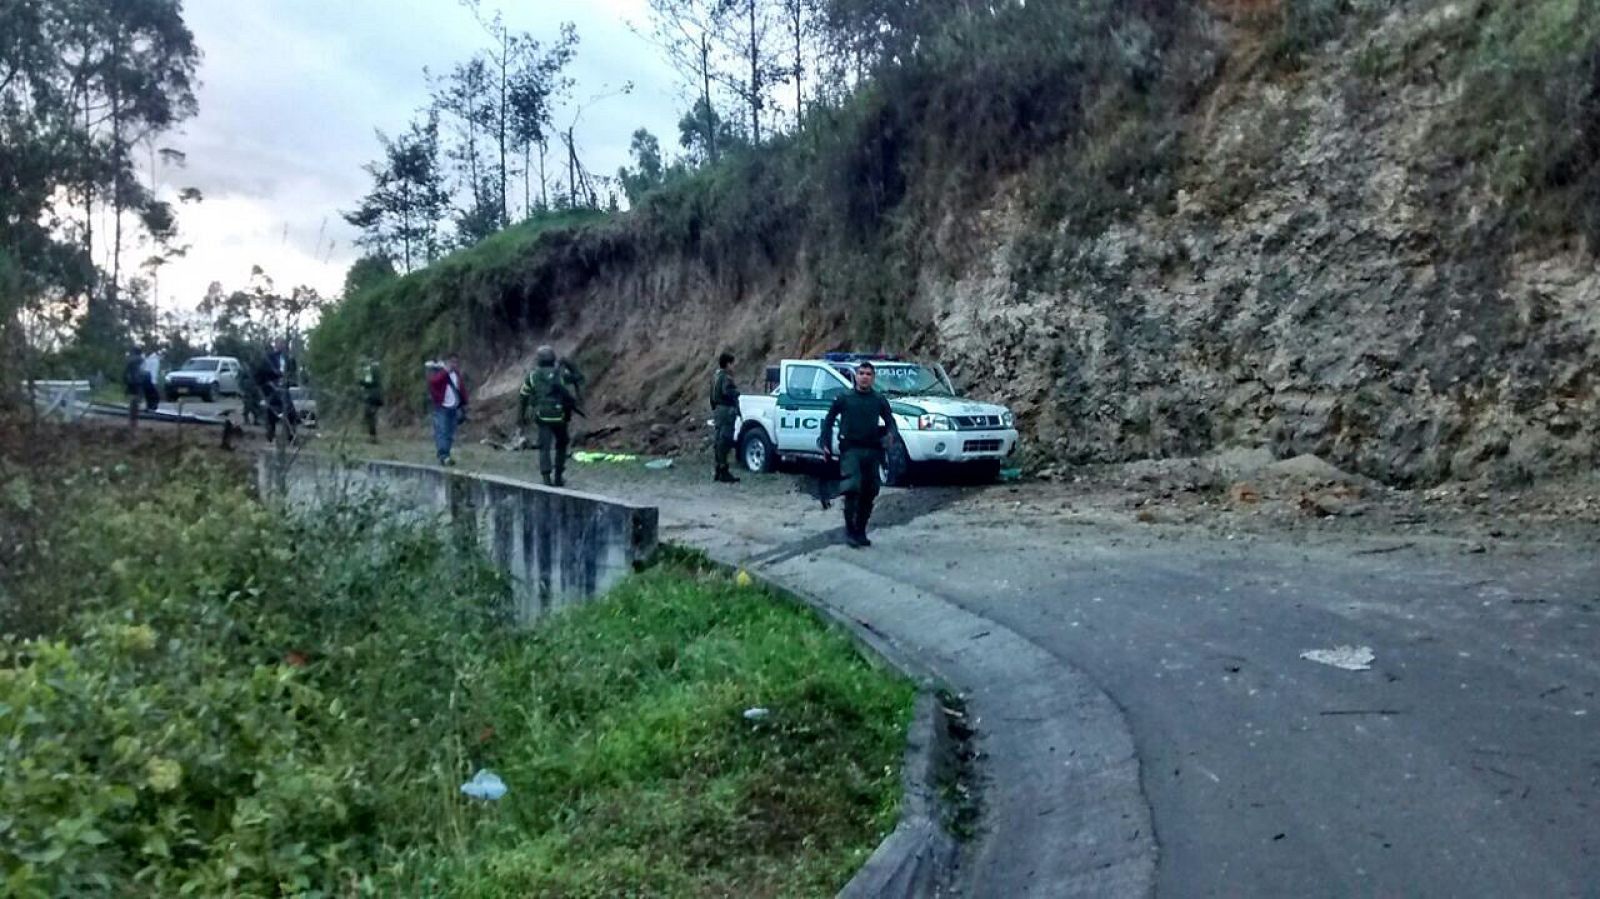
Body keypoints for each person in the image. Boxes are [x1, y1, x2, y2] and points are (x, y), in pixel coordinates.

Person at [819, 361, 899, 548]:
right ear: (855, 376)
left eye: (868, 374)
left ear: (873, 378)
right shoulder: (844, 398)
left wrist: (890, 436)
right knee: (852, 488)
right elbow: (829, 420)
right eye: (861, 373)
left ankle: (861, 530)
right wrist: (825, 442)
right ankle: (850, 531)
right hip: (851, 449)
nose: (864, 377)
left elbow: (890, 421)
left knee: (869, 491)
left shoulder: (878, 399)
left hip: (872, 450)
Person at [519, 345, 577, 486]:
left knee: (544, 446)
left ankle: (546, 476)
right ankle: (558, 475)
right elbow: (578, 378)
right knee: (562, 444)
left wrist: (521, 416)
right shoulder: (561, 374)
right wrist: (569, 364)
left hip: (542, 416)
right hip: (560, 416)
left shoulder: (532, 376)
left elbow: (523, 396)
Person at [427, 351, 468, 466]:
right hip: (442, 407)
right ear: (446, 362)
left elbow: (461, 389)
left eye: (456, 362)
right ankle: (443, 455)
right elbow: (433, 382)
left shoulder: (457, 374)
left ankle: (446, 454)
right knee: (442, 431)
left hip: (453, 407)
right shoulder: (439, 372)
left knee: (450, 433)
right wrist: (445, 371)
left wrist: (464, 403)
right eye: (452, 362)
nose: (454, 364)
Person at [257, 340, 298, 444]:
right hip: (272, 390)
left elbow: (292, 373)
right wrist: (270, 383)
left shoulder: (289, 359)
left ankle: (291, 437)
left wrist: (288, 381)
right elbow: (263, 373)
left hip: (284, 389)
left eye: (283, 344)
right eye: (279, 344)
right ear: (275, 345)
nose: (281, 346)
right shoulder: (269, 358)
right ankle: (270, 436)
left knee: (291, 413)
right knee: (272, 412)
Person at [709, 351, 741, 484]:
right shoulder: (726, 378)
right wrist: (736, 393)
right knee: (725, 440)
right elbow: (727, 391)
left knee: (718, 440)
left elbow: (712, 394)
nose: (734, 367)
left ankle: (718, 468)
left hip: (718, 410)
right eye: (732, 364)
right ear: (728, 364)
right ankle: (723, 470)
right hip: (726, 410)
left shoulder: (715, 376)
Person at [359, 359, 383, 442]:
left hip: (372, 397)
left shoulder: (369, 371)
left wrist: (361, 382)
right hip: (376, 397)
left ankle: (373, 437)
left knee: (369, 415)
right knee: (371, 416)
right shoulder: (376, 371)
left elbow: (369, 383)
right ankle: (373, 436)